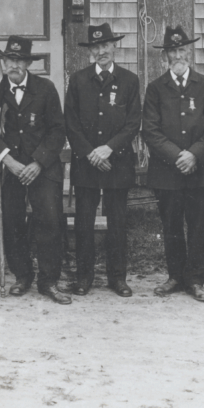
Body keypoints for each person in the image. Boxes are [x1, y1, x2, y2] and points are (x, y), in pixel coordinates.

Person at [0, 35, 70, 304]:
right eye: (9, 60)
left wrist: (38, 162)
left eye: (20, 60)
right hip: (8, 168)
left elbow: (57, 131)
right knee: (10, 219)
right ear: (3, 63)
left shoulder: (45, 88)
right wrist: (7, 159)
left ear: (28, 63)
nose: (14, 65)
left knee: (50, 219)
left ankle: (48, 280)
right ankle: (22, 275)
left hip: (41, 168)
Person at [141, 24, 204, 302]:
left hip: (200, 170)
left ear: (189, 52)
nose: (177, 55)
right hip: (167, 172)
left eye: (181, 50)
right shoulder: (155, 89)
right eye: (172, 51)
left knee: (198, 226)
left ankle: (196, 280)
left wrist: (193, 155)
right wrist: (178, 156)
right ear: (165, 56)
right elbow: (150, 130)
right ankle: (175, 276)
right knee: (171, 225)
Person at [64, 23, 141, 297]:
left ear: (114, 47)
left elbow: (133, 123)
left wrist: (108, 149)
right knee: (84, 222)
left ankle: (118, 278)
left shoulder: (129, 81)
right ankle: (84, 277)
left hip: (117, 162)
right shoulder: (78, 80)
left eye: (105, 46)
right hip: (86, 163)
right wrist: (90, 154)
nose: (101, 52)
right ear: (90, 52)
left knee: (118, 222)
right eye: (95, 47)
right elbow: (71, 124)